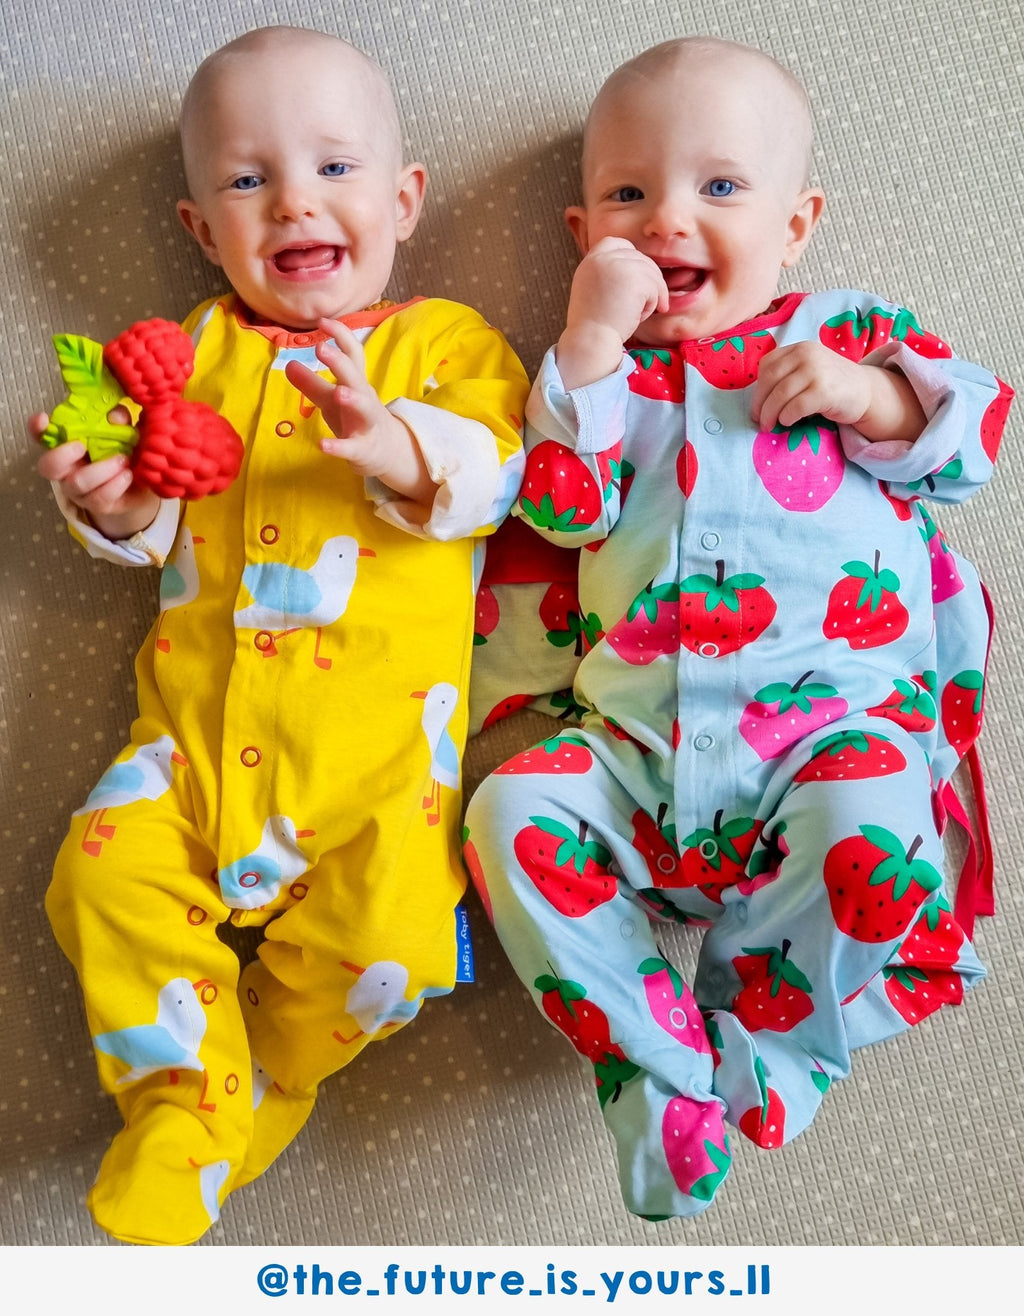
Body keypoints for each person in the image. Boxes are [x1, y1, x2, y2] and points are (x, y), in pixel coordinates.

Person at [463, 36, 1011, 1221]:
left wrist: (868, 394)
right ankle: (650, 1067)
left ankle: (767, 1042)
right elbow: (560, 509)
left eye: (718, 188)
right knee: (506, 815)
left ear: (797, 222)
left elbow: (968, 443)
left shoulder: (846, 334)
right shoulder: (591, 373)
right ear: (580, 233)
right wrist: (589, 343)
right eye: (627, 195)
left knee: (878, 832)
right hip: (632, 753)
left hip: (823, 728)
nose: (668, 220)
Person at [33, 25, 527, 1246]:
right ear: (204, 229)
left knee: (396, 955)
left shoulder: (445, 344)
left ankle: (255, 1087)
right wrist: (117, 502)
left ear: (404, 200)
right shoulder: (188, 359)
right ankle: (182, 1095)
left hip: (377, 784)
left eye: (334, 169)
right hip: (189, 755)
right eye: (248, 181)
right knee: (96, 871)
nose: (294, 199)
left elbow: (495, 470)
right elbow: (151, 521)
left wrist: (395, 440)